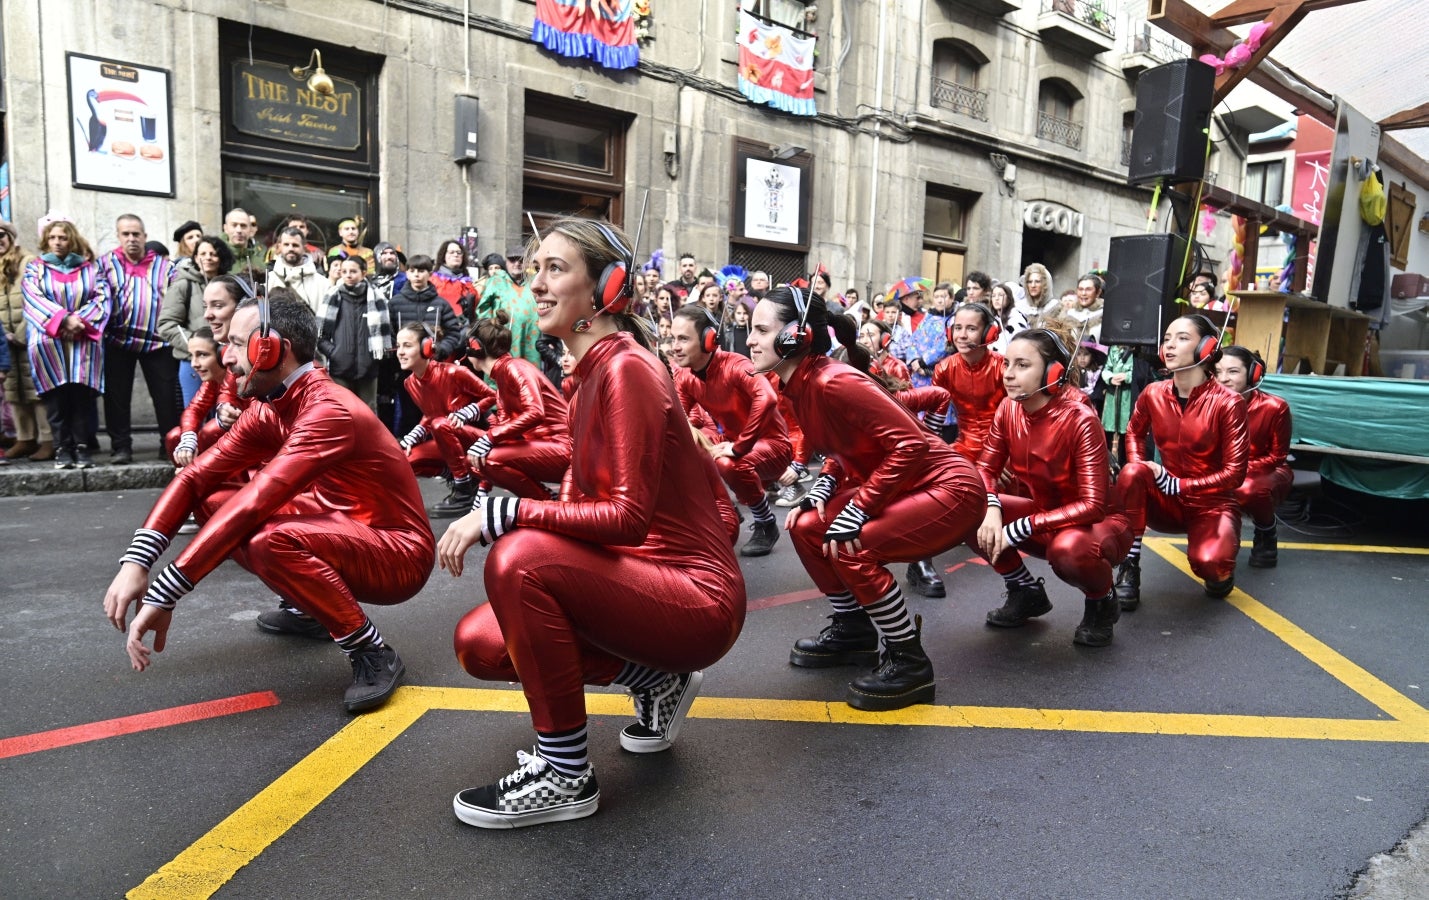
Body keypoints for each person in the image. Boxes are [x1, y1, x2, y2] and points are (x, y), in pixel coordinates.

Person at [439, 217, 745, 828]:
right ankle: (656, 680)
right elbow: (585, 506)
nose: (538, 284)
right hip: (647, 585)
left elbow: (625, 518)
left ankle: (564, 774)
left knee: (517, 557)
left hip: (695, 598)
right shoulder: (588, 378)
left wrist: (504, 512)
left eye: (557, 269)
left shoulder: (626, 367)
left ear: (607, 285)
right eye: (536, 269)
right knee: (482, 644)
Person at [103, 292, 435, 712]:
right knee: (216, 501)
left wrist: (164, 592)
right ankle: (310, 607)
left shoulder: (328, 409)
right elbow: (195, 478)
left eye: (239, 344)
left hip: (399, 555)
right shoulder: (272, 407)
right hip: (340, 526)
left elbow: (256, 504)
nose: (227, 357)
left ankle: (373, 652)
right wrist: (137, 563)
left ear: (272, 348)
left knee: (268, 539)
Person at [747, 286, 985, 711]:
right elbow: (849, 447)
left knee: (849, 545)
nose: (749, 340)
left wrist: (857, 508)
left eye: (761, 330)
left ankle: (911, 663)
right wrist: (824, 486)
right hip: (905, 485)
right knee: (805, 527)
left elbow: (911, 444)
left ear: (795, 336)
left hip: (949, 488)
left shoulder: (833, 379)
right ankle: (854, 631)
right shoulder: (799, 383)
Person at [971, 330, 1133, 646]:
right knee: (966, 509)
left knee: (1068, 550)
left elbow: (1093, 506)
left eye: (1022, 365)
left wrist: (1019, 528)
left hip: (1098, 526)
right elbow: (985, 468)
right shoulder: (1008, 408)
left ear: (1052, 372)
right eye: (1007, 364)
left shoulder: (1080, 419)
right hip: (1045, 516)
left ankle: (1102, 601)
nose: (1009, 374)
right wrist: (991, 507)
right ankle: (1025, 592)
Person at [1114, 314, 1249, 608]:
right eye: (1167, 339)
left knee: (1209, 565)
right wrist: (1143, 466)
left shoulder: (1229, 403)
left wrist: (1179, 485)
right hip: (1167, 501)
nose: (1170, 346)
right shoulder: (1153, 392)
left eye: (1182, 338)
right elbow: (1134, 432)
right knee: (1131, 471)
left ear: (1207, 348)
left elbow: (1235, 474)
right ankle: (1129, 566)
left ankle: (1221, 571)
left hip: (1212, 504)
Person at [670, 305, 792, 557]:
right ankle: (724, 508)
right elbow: (680, 424)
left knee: (727, 462)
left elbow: (767, 397)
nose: (675, 346)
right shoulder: (684, 377)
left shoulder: (736, 364)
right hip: (733, 443)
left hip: (774, 447)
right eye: (673, 338)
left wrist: (739, 447)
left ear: (708, 338)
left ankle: (766, 524)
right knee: (685, 449)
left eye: (683, 338)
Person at [21, 218, 111, 469]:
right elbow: (33, 299)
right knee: (56, 398)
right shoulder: (35, 269)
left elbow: (102, 298)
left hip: (82, 341)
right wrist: (63, 321)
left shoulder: (90, 269)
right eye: (53, 238)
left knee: (81, 397)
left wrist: (79, 322)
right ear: (46, 241)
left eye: (62, 237)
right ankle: (62, 449)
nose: (58, 242)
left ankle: (82, 448)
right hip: (49, 343)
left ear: (71, 239)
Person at [463, 311, 572, 502]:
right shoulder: (502, 376)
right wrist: (483, 487)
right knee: (475, 461)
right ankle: (544, 501)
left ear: (476, 348)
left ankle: (545, 503)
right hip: (550, 447)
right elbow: (503, 433)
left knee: (489, 458)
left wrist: (487, 439)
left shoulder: (515, 368)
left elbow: (535, 412)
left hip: (565, 448)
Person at [393, 322, 498, 516]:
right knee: (405, 459)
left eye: (407, 345)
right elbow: (432, 412)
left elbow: (493, 395)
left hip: (479, 441)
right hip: (448, 439)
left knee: (440, 424)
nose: (400, 352)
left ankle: (464, 489)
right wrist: (415, 434)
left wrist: (468, 412)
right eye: (398, 346)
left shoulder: (453, 372)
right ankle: (460, 476)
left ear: (427, 347)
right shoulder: (410, 383)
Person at [100, 214, 179, 464]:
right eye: (126, 234)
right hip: (117, 341)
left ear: (145, 236)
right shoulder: (105, 264)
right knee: (117, 396)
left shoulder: (165, 266)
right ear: (118, 236)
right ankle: (121, 447)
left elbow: (177, 298)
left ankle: (168, 445)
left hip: (158, 342)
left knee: (165, 396)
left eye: (136, 234)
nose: (132, 239)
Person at [1216, 346, 1292, 568]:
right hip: (1223, 471)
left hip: (1267, 471)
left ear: (1252, 374)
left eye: (1232, 372)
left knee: (1248, 488)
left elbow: (1278, 456)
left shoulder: (1275, 407)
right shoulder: (1207, 404)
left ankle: (1266, 533)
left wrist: (1235, 470)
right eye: (1217, 371)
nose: (1223, 379)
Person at [1, 219, 54, 461]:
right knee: (13, 390)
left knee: (36, 391)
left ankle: (47, 439)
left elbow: (37, 300)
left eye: (2, 235)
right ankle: (25, 438)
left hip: (29, 337)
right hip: (4, 342)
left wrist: (20, 334)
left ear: (10, 237)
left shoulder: (29, 262)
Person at [160, 235, 233, 405]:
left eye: (213, 254)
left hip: (224, 362)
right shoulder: (183, 285)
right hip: (193, 362)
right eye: (203, 253)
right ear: (195, 258)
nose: (208, 257)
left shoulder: (230, 286)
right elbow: (167, 324)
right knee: (195, 412)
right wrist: (197, 347)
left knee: (223, 416)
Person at [933, 303, 1008, 460]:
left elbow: (1020, 418)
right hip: (963, 448)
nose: (962, 335)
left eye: (971, 329)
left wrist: (1001, 457)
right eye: (958, 328)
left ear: (989, 333)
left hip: (1005, 448)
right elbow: (933, 422)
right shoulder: (944, 368)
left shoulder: (1004, 367)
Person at [318, 256, 391, 410]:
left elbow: (386, 334)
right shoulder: (333, 296)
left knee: (368, 412)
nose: (348, 275)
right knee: (341, 412)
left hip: (368, 369)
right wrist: (334, 353)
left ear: (363, 273)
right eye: (344, 271)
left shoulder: (377, 298)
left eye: (353, 271)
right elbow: (320, 335)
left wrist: (373, 358)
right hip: (340, 369)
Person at [164, 326, 227, 466]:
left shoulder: (240, 376)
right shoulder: (213, 380)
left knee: (211, 431)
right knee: (176, 436)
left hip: (258, 454)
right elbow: (194, 409)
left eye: (202, 355)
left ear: (223, 353)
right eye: (191, 355)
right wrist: (188, 439)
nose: (194, 364)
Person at [265, 227, 329, 314]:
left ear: (304, 248)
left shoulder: (323, 284)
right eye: (286, 244)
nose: (290, 248)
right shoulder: (268, 280)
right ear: (279, 247)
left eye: (295, 245)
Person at [910, 281, 957, 386]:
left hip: (938, 372)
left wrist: (923, 362)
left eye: (943, 296)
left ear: (952, 298)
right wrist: (914, 359)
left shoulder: (954, 320)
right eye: (936, 297)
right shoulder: (927, 317)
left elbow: (945, 346)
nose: (940, 300)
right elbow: (914, 339)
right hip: (918, 371)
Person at [432, 240, 478, 320]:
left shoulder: (468, 282)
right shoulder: (433, 280)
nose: (456, 255)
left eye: (459, 252)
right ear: (444, 256)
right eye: (451, 252)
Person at [985, 282, 1029, 353]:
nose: (996, 298)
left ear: (1009, 299)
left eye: (1000, 295)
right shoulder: (993, 319)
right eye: (993, 296)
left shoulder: (1016, 318)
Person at [221, 208, 264, 280]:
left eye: (243, 226)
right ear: (225, 228)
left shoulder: (259, 262)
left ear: (250, 229)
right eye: (234, 225)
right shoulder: (216, 259)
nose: (239, 230)